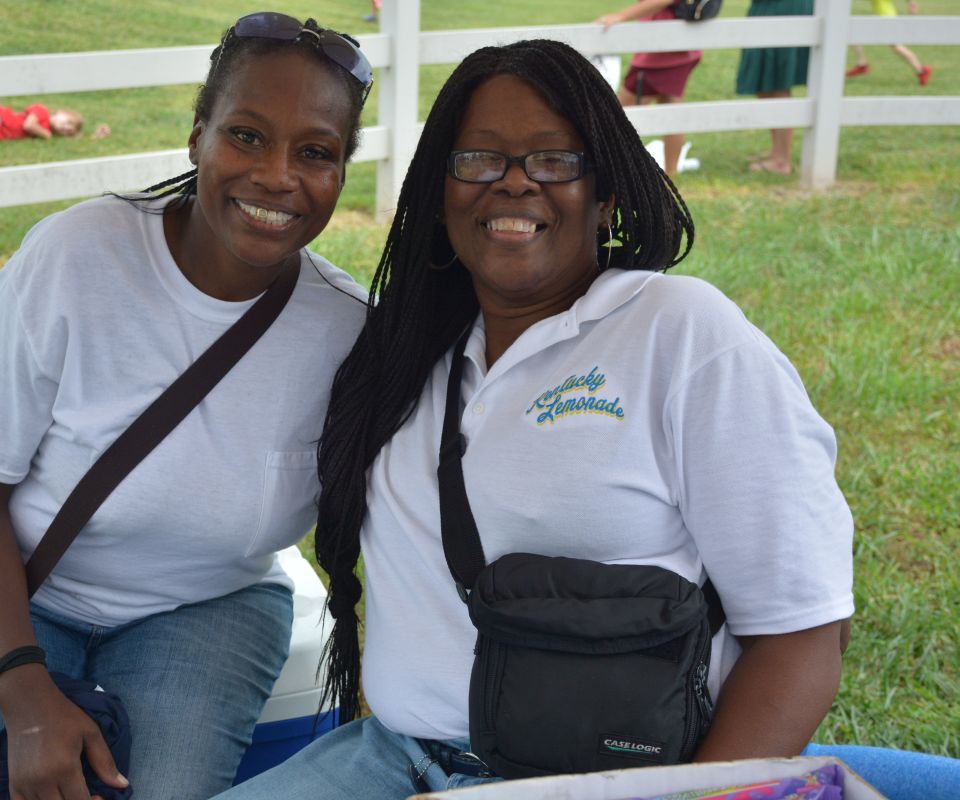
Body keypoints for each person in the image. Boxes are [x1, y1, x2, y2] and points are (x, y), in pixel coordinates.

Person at [213, 38, 854, 799]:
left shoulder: (681, 335)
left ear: (606, 197)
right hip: (393, 758)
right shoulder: (402, 353)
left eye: (554, 160)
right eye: (479, 159)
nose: (514, 182)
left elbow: (803, 634)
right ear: (441, 194)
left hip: (605, 785)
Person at [0, 12, 372, 800]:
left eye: (315, 152)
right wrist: (23, 694)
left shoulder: (350, 330)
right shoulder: (75, 258)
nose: (277, 176)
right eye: (247, 136)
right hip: (15, 590)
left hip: (209, 608)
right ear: (197, 138)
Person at [595, 0, 702, 177]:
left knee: (619, 113)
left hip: (663, 50)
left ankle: (610, 169)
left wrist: (620, 16)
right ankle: (670, 172)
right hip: (673, 42)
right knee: (670, 107)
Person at [735, 0, 814, 175]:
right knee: (765, 82)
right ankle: (776, 149)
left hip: (782, 8)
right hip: (768, 8)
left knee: (778, 82)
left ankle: (781, 160)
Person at [846, 0, 932, 86]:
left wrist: (911, 2)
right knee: (854, 33)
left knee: (898, 47)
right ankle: (861, 65)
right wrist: (910, 2)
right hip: (883, 20)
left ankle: (922, 70)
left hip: (888, 21)